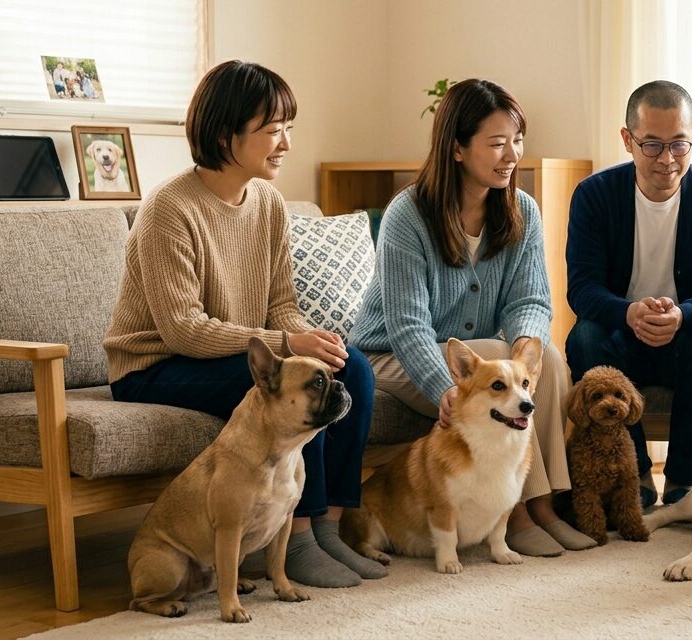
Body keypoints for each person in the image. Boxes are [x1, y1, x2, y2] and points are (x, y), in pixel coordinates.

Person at [106, 60, 383, 589]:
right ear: (223, 133)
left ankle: (329, 530)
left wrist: (308, 343)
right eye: (273, 130)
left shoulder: (269, 203)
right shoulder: (169, 209)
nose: (285, 143)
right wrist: (288, 345)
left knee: (354, 371)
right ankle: (298, 540)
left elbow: (281, 304)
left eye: (288, 129)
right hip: (156, 366)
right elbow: (184, 329)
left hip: (233, 354)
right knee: (296, 391)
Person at [353, 78, 597, 557]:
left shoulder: (521, 209)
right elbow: (407, 325)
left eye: (517, 141)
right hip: (391, 357)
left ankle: (547, 504)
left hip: (473, 361)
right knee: (493, 355)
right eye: (497, 144)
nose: (512, 155)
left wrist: (528, 348)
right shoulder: (409, 214)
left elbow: (531, 299)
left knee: (545, 355)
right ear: (458, 149)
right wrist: (444, 386)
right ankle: (524, 515)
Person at [565, 80, 692, 508]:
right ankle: (636, 473)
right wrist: (629, 314)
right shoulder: (594, 195)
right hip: (620, 339)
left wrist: (680, 315)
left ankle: (684, 481)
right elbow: (582, 289)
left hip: (689, 340)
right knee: (585, 336)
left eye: (679, 145)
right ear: (627, 140)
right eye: (652, 145)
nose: (667, 160)